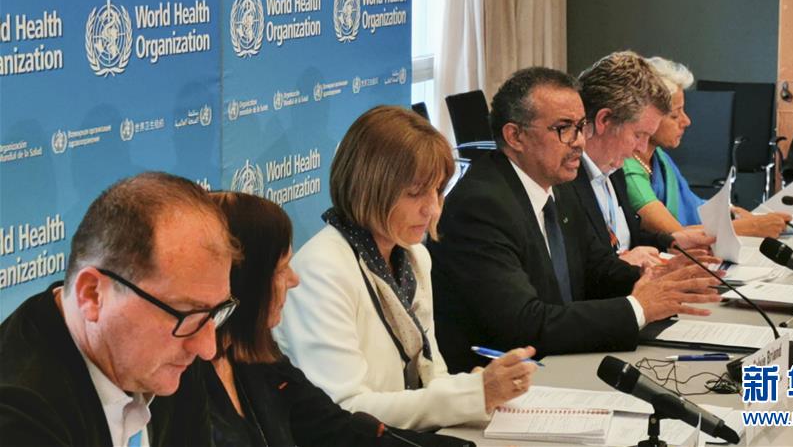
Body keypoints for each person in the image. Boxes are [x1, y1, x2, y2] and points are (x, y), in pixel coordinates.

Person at [429, 67, 722, 374]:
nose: (580, 141)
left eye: (581, 126)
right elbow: (524, 323)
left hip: (561, 361)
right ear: (515, 136)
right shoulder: (481, 206)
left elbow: (595, 268)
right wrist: (638, 308)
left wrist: (656, 278)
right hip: (506, 380)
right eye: (564, 128)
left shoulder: (558, 184)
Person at [274, 106, 537, 430]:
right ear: (368, 188)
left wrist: (479, 390)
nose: (433, 209)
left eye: (438, 190)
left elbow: (430, 376)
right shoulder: (321, 271)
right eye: (415, 193)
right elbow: (346, 410)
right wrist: (473, 395)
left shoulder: (414, 256)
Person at [198, 191, 472, 447]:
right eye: (281, 270)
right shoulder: (184, 382)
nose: (294, 280)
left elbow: (337, 428)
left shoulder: (261, 358)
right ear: (247, 282)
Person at [0, 172, 240, 446]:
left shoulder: (178, 345)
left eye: (214, 312)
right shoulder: (17, 416)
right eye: (186, 312)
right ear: (92, 295)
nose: (207, 348)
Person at [567, 51, 716, 270]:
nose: (642, 148)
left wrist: (672, 241)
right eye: (638, 135)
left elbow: (629, 239)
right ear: (604, 120)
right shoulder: (564, 181)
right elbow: (577, 272)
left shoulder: (614, 169)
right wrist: (624, 267)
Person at [623, 56, 791, 237]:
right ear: (647, 116)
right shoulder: (627, 169)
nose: (686, 121)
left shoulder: (659, 158)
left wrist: (732, 213)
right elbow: (675, 235)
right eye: (675, 115)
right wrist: (753, 227)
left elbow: (695, 206)